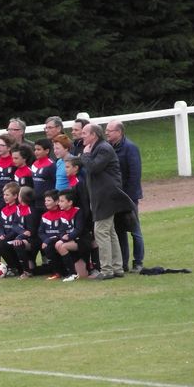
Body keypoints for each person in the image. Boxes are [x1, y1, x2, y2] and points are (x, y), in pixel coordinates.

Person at [79, 123, 135, 280]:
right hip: (103, 196)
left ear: (93, 135)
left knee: (101, 232)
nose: (82, 136)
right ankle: (117, 268)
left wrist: (85, 155)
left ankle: (107, 270)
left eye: (84, 133)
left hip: (105, 197)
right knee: (110, 232)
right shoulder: (98, 148)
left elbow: (93, 167)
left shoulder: (103, 148)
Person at [105, 120, 145, 273]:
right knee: (119, 230)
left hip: (129, 197)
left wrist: (128, 197)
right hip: (115, 197)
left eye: (110, 130)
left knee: (135, 230)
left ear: (119, 132)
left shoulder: (130, 148)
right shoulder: (108, 147)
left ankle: (138, 262)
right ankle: (123, 263)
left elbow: (135, 174)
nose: (106, 133)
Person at [55, 189, 93, 282]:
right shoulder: (61, 213)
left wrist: (68, 237)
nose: (59, 203)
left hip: (82, 241)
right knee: (58, 244)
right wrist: (63, 237)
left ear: (70, 202)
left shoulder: (78, 211)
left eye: (62, 201)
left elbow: (79, 230)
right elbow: (61, 230)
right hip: (71, 240)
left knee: (61, 246)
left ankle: (72, 273)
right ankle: (71, 272)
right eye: (59, 201)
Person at [10, 186, 41, 279]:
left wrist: (20, 237)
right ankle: (19, 268)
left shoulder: (32, 211)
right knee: (9, 244)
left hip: (34, 240)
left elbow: (31, 231)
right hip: (24, 237)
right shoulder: (18, 208)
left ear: (21, 197)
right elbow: (14, 224)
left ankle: (26, 272)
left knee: (18, 243)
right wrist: (22, 233)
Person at [0, 182, 20, 277]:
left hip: (15, 237)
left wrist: (5, 238)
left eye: (7, 195)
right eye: (4, 194)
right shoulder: (3, 210)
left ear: (15, 196)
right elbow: (1, 225)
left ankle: (14, 267)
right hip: (5, 237)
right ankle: (11, 265)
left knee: (0, 245)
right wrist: (1, 235)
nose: (5, 197)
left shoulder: (18, 209)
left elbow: (16, 228)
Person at [38, 189, 63, 280]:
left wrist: (49, 240)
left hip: (58, 240)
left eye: (48, 200)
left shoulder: (62, 214)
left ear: (56, 202)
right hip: (48, 241)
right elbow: (40, 232)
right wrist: (46, 240)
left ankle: (59, 272)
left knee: (49, 247)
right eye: (45, 200)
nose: (46, 202)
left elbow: (62, 232)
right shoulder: (44, 216)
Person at [31, 138, 56, 211]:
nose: (36, 152)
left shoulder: (51, 165)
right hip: (36, 202)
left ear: (47, 151)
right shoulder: (34, 164)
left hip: (48, 203)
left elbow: (55, 182)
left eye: (39, 149)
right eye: (35, 149)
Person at [0, 134, 16, 201]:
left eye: (2, 145)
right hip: (0, 196)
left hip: (12, 196)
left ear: (9, 148)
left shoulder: (14, 161)